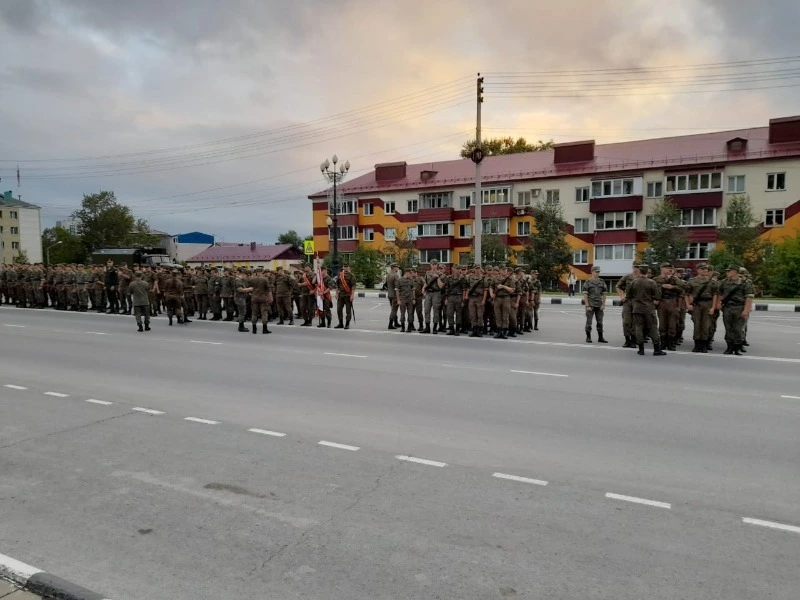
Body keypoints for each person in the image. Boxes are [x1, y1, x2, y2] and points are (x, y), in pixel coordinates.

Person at [626, 264, 666, 356]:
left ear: (639, 271)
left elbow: (628, 295)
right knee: (653, 328)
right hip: (649, 309)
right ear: (647, 272)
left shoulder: (634, 282)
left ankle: (641, 349)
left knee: (638, 328)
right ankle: (656, 349)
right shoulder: (651, 282)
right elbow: (657, 296)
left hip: (637, 308)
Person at [717, 265, 754, 355]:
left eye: (729, 271)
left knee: (738, 329)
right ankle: (729, 347)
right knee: (728, 328)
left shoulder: (745, 283)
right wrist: (719, 303)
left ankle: (737, 347)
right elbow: (719, 293)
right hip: (727, 308)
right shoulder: (724, 282)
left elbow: (748, 297)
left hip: (739, 308)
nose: (727, 273)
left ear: (735, 272)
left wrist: (746, 310)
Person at [684, 264, 718, 353]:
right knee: (697, 325)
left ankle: (704, 345)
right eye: (702, 269)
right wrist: (688, 305)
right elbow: (686, 294)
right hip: (697, 305)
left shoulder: (712, 282)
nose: (704, 271)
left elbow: (715, 295)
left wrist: (713, 307)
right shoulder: (692, 281)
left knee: (706, 325)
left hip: (708, 304)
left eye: (706, 269)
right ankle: (697, 344)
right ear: (698, 270)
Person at [653, 263, 682, 351]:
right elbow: (652, 289)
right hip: (662, 302)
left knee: (672, 324)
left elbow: (684, 288)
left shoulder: (675, 279)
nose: (668, 270)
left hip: (672, 301)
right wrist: (661, 286)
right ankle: (663, 342)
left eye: (670, 268)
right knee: (662, 324)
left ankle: (671, 343)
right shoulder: (656, 279)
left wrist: (672, 286)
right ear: (661, 269)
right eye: (666, 268)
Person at [616, 265, 639, 347]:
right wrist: (622, 296)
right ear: (632, 268)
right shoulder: (627, 277)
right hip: (628, 301)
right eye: (635, 267)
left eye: (638, 267)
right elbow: (618, 286)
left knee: (635, 322)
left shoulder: (642, 277)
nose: (636, 269)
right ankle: (627, 340)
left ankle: (634, 340)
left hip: (638, 302)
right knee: (626, 321)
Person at [583, 266, 607, 343]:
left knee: (600, 322)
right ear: (592, 272)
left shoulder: (602, 282)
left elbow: (604, 294)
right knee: (589, 322)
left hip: (599, 305)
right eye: (596, 272)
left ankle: (601, 337)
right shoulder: (587, 282)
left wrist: (603, 304)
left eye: (598, 272)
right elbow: (585, 295)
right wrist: (587, 305)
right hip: (591, 304)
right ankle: (588, 337)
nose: (598, 273)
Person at [490, 265, 514, 339]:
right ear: (500, 271)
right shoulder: (495, 278)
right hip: (497, 298)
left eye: (505, 270)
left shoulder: (509, 279)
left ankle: (504, 331)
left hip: (505, 298)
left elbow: (512, 290)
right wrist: (491, 293)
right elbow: (491, 286)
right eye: (503, 269)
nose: (504, 271)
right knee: (498, 315)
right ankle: (499, 331)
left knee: (505, 316)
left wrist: (503, 286)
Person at [422, 260, 445, 334]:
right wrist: (423, 289)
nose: (434, 266)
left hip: (436, 293)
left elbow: (441, 286)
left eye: (435, 264)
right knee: (426, 310)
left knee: (436, 311)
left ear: (437, 265)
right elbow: (426, 283)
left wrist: (437, 277)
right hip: (428, 293)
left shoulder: (441, 274)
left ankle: (435, 328)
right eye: (433, 264)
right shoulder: (427, 273)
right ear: (430, 265)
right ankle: (427, 327)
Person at [444, 264, 466, 336]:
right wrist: (446, 299)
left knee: (458, 314)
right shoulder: (449, 278)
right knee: (449, 313)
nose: (458, 270)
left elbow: (464, 290)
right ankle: (451, 328)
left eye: (459, 269)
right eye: (456, 268)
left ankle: (457, 329)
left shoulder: (462, 279)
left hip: (459, 297)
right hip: (450, 297)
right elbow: (447, 289)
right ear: (453, 269)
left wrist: (463, 301)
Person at [249, 267, 272, 334]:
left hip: (254, 298)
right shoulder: (265, 279)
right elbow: (268, 290)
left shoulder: (252, 279)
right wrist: (270, 298)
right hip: (263, 298)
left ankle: (254, 329)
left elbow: (249, 287)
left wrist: (251, 293)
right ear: (262, 272)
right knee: (264, 313)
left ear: (256, 272)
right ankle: (264, 329)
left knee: (254, 313)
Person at [466, 265, 487, 338]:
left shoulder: (483, 278)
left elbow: (485, 290)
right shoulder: (470, 277)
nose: (477, 270)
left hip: (480, 298)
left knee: (480, 315)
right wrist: (467, 296)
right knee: (472, 314)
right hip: (472, 298)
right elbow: (468, 287)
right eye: (476, 269)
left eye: (479, 269)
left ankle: (479, 330)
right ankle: (474, 329)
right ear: (474, 270)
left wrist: (484, 299)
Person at [335, 264, 356, 329]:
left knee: (348, 310)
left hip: (348, 295)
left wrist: (352, 295)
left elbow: (353, 286)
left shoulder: (352, 275)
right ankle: (340, 323)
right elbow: (337, 285)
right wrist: (336, 293)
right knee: (339, 309)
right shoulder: (340, 275)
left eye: (347, 267)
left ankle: (347, 324)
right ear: (343, 267)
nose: (346, 268)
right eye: (344, 267)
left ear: (349, 267)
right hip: (341, 295)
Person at [386, 263, 401, 330]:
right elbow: (397, 286)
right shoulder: (395, 276)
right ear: (394, 268)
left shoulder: (388, 275)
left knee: (393, 309)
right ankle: (390, 324)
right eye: (397, 267)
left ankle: (396, 322)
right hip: (394, 295)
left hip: (389, 294)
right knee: (394, 310)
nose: (398, 268)